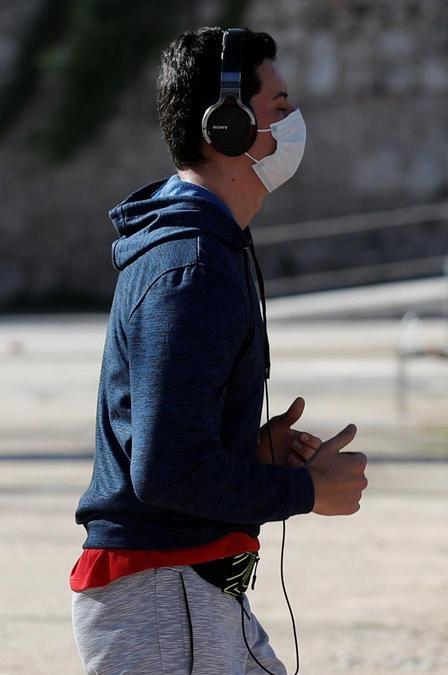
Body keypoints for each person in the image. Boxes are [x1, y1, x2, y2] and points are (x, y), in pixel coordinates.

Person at [70, 27, 369, 674]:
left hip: (179, 592)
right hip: (162, 590)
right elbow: (165, 469)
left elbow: (174, 450)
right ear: (226, 125)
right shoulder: (193, 268)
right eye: (279, 104)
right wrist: (303, 490)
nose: (295, 121)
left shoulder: (202, 250)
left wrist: (245, 451)